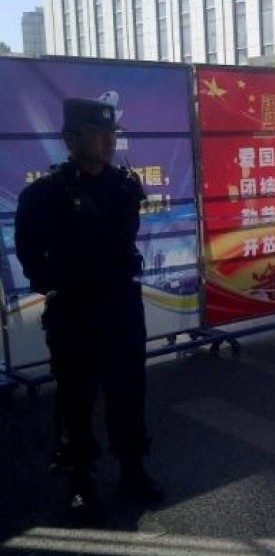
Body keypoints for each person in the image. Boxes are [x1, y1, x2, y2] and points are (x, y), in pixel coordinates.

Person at [14, 98, 162, 523]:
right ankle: (80, 483)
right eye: (98, 134)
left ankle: (132, 470)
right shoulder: (45, 194)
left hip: (120, 307)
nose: (108, 141)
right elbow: (29, 252)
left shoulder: (123, 186)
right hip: (75, 312)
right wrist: (57, 283)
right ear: (70, 139)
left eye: (112, 133)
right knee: (75, 401)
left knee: (129, 393)